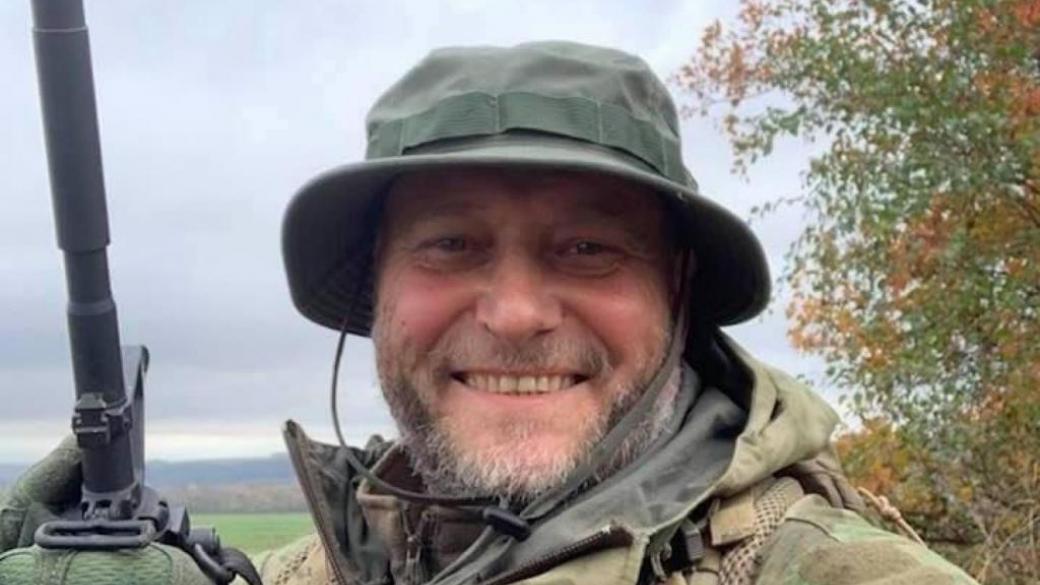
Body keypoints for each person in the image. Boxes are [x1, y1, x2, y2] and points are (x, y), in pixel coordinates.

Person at [0, 41, 977, 585]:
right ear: (376, 288)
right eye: (450, 244)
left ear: (676, 289)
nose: (514, 313)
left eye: (587, 248)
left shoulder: (831, 572)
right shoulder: (316, 573)